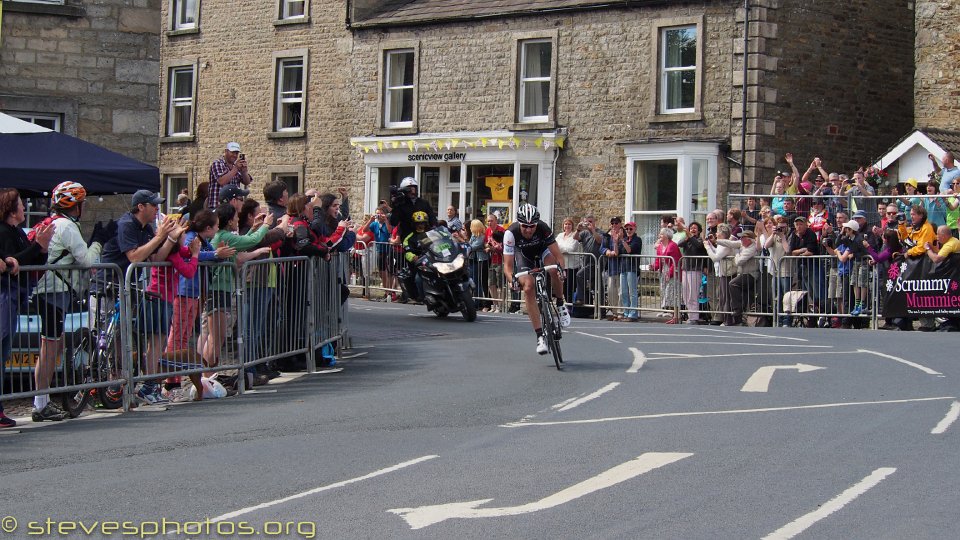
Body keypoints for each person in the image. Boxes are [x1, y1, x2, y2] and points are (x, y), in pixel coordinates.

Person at [32, 182, 104, 421]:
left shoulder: (53, 222)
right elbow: (85, 260)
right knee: (50, 347)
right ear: (77, 206)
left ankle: (41, 401)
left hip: (48, 290)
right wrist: (97, 242)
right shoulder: (67, 226)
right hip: (54, 291)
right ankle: (41, 403)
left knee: (53, 344)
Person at [0, 189, 54, 428]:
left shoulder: (17, 232)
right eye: (21, 205)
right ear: (11, 209)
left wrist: (41, 248)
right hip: (5, 294)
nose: (24, 208)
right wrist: (36, 247)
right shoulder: (3, 231)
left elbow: (27, 260)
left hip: (14, 295)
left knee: (4, 352)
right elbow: (13, 260)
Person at [503, 204, 571, 355]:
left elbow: (559, 256)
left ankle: (560, 303)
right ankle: (540, 336)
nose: (528, 230)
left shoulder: (543, 228)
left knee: (553, 268)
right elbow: (507, 266)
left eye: (532, 226)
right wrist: (511, 279)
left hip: (542, 250)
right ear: (519, 224)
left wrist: (562, 270)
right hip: (523, 255)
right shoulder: (510, 233)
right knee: (528, 287)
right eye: (525, 226)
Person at [389, 177, 436, 243]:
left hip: (423, 237)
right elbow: (393, 222)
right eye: (409, 189)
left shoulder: (423, 202)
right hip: (408, 238)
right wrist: (395, 206)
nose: (412, 191)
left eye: (414, 188)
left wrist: (435, 227)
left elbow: (432, 217)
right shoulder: (401, 205)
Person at [678, 221, 708, 324]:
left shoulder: (699, 239)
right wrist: (687, 237)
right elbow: (679, 244)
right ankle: (690, 315)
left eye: (695, 228)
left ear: (699, 230)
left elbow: (699, 245)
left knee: (693, 294)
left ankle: (694, 317)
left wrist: (690, 236)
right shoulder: (688, 240)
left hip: (695, 269)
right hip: (686, 268)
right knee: (686, 294)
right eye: (691, 228)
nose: (692, 229)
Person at [652, 227, 681, 323]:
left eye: (661, 234)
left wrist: (670, 273)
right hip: (663, 269)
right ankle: (666, 310)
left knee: (671, 291)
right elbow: (658, 259)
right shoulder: (660, 246)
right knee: (663, 289)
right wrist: (654, 267)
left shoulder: (673, 246)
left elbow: (675, 261)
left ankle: (673, 313)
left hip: (672, 270)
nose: (659, 236)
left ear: (666, 236)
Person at [600, 217, 626, 321]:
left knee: (621, 291)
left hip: (622, 267)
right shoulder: (607, 235)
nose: (614, 225)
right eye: (612, 223)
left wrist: (617, 241)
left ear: (620, 224)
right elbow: (601, 247)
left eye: (616, 223)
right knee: (611, 290)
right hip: (610, 267)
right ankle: (614, 312)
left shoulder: (623, 235)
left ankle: (620, 312)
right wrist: (606, 251)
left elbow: (620, 251)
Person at [555, 218, 583, 306]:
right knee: (563, 288)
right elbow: (553, 245)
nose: (567, 226)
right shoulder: (560, 235)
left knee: (570, 288)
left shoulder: (574, 236)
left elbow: (570, 248)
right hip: (562, 266)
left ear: (572, 226)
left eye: (569, 224)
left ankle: (570, 306)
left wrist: (558, 249)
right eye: (566, 224)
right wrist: (560, 250)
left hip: (572, 266)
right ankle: (566, 305)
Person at [466, 219, 491, 310]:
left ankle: (479, 301)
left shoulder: (481, 236)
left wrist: (467, 246)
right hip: (473, 259)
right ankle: (476, 299)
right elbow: (469, 246)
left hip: (480, 260)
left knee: (478, 281)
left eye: (472, 226)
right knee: (473, 280)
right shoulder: (473, 236)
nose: (470, 228)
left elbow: (473, 246)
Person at [484, 214, 506, 312]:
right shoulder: (487, 231)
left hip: (502, 261)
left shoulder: (501, 230)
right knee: (491, 284)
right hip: (492, 260)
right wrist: (487, 247)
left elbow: (504, 246)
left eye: (491, 221)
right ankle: (495, 305)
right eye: (488, 221)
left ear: (496, 221)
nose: (489, 223)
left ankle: (501, 306)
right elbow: (485, 242)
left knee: (501, 285)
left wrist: (492, 248)